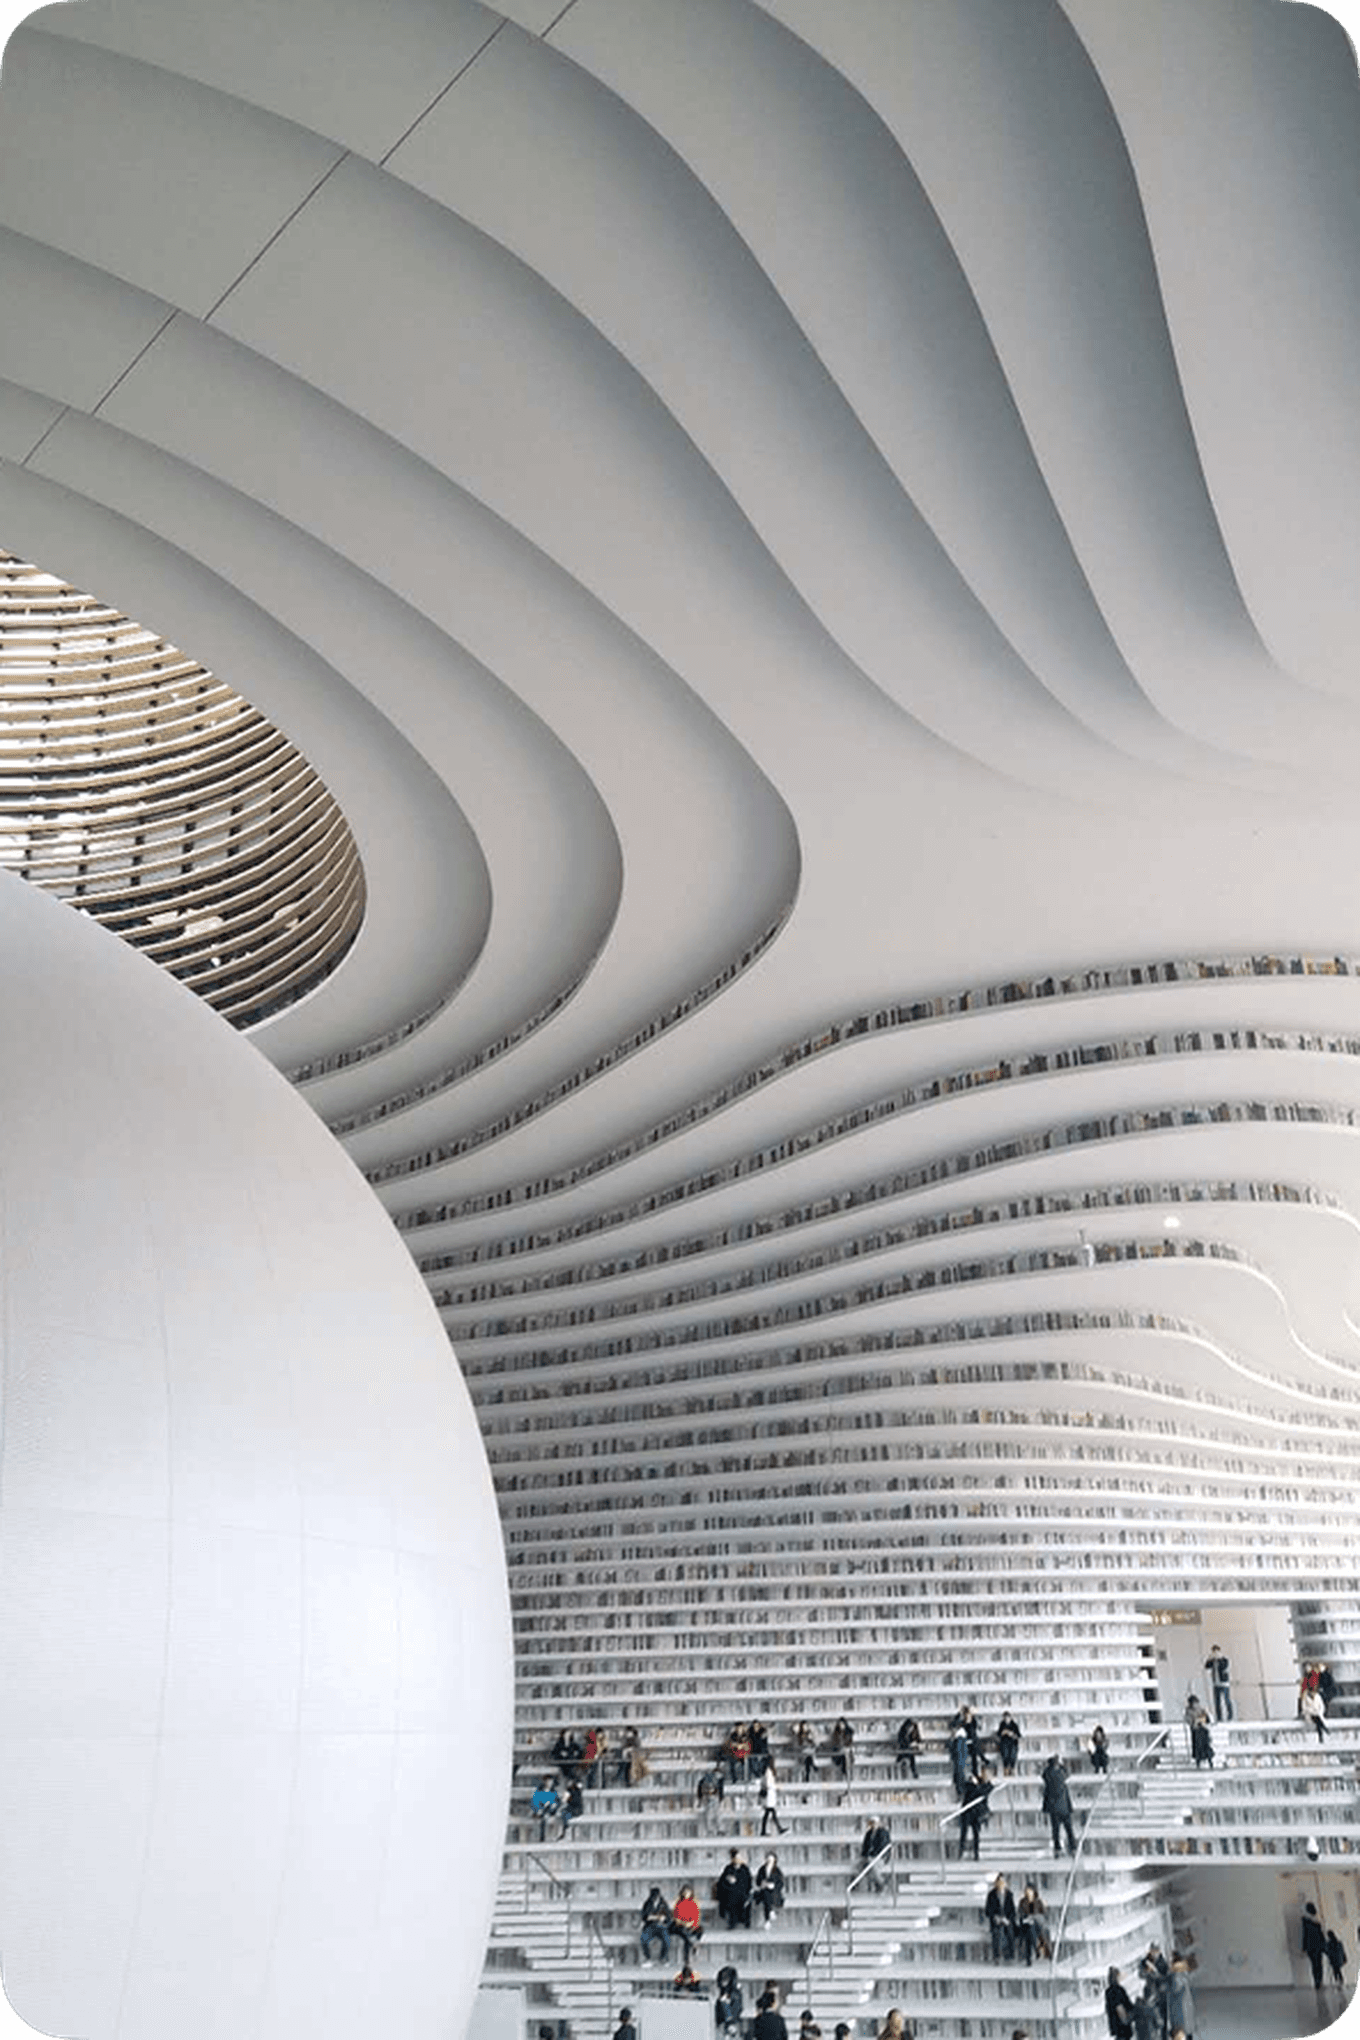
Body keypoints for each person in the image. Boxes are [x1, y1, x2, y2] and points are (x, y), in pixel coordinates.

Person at [1041, 1754, 1076, 1856]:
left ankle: (1057, 1848)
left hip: (1053, 1808)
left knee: (1056, 1830)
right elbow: (1067, 1774)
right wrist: (1062, 1765)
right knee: (1069, 1829)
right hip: (1064, 1808)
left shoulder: (1048, 1774)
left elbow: (1043, 1775)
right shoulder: (1061, 1774)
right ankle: (1072, 1847)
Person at [958, 1764, 991, 1860]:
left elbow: (988, 1788)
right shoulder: (970, 1786)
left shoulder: (982, 1786)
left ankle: (975, 1853)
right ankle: (962, 1851)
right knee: (965, 1833)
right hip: (968, 1812)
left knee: (975, 1833)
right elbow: (970, 1789)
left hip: (975, 1813)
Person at [715, 1851, 752, 1929]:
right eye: (736, 1858)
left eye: (739, 1858)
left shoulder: (745, 1869)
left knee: (743, 1899)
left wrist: (737, 1881)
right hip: (730, 1892)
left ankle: (744, 1921)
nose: (738, 1860)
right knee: (731, 1898)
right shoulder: (728, 1868)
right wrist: (728, 1879)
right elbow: (721, 1881)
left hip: (742, 1892)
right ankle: (733, 1922)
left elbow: (748, 1883)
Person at [984, 1873, 1016, 1961]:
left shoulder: (1009, 1894)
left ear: (1006, 1883)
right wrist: (995, 1917)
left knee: (1010, 1932)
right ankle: (996, 1956)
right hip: (996, 1920)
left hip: (1006, 1920)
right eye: (999, 1881)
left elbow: (1013, 1911)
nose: (1001, 1884)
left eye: (1003, 1882)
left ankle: (1010, 1956)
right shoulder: (991, 1894)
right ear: (996, 1883)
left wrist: (1008, 1919)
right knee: (996, 1933)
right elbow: (987, 1911)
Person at [1016, 1881, 1048, 1964]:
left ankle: (1029, 1958)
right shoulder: (1022, 1901)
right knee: (1029, 1930)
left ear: (1034, 1891)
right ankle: (1036, 1949)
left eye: (1030, 1891)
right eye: (1027, 1891)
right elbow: (1020, 1914)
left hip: (1037, 1925)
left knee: (1031, 1929)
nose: (1028, 1892)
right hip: (1025, 1925)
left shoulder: (1038, 1901)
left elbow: (1043, 1914)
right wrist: (1027, 1919)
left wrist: (1033, 1918)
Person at [640, 1886, 672, 1965]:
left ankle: (663, 1958)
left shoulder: (663, 1904)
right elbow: (644, 1916)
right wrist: (655, 1917)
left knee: (667, 1940)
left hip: (661, 1927)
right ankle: (648, 1958)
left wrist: (663, 1918)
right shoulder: (647, 1903)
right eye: (653, 1897)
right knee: (643, 1939)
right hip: (650, 1927)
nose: (654, 1899)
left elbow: (669, 1917)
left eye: (656, 1897)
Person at [1164, 1956, 1195, 2036]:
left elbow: (1175, 1991)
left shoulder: (1178, 1976)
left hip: (1181, 2016)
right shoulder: (1179, 1976)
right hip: (1182, 2018)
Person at [859, 1815, 891, 1890]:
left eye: (874, 1822)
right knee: (861, 1866)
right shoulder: (868, 1833)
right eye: (871, 1823)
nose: (872, 1825)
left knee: (870, 1865)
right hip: (870, 1857)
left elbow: (882, 1848)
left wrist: (871, 1856)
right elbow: (864, 1847)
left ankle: (881, 1883)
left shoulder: (883, 1833)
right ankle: (879, 1884)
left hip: (880, 1857)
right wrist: (865, 1855)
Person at [672, 1883, 703, 1960]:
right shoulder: (679, 1902)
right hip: (681, 1924)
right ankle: (694, 1945)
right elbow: (676, 1916)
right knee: (686, 1935)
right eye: (685, 1892)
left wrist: (692, 1924)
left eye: (688, 1892)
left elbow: (697, 1916)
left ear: (691, 1893)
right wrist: (684, 1923)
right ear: (682, 1893)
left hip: (691, 1924)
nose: (686, 1894)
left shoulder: (695, 1902)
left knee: (699, 1930)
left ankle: (693, 1945)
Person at [754, 1852, 785, 1926]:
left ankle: (767, 1919)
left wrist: (773, 1886)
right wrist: (762, 1883)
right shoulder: (762, 1869)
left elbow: (780, 1883)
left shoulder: (777, 1870)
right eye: (768, 1859)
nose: (769, 1861)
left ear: (774, 1860)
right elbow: (758, 1881)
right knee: (766, 1894)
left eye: (771, 1860)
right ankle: (770, 1912)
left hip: (774, 1892)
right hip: (764, 1891)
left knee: (768, 1896)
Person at [1203, 1645, 1233, 1721]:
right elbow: (1206, 1666)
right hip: (1216, 1684)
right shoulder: (1213, 1661)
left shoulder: (1224, 1660)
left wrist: (1219, 1659)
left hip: (1224, 1683)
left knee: (1227, 1700)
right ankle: (1219, 1717)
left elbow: (1224, 1667)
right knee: (1217, 1702)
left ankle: (1230, 1716)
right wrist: (1210, 1659)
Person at [759, 1760, 787, 1837]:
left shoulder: (766, 1771)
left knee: (768, 1813)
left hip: (768, 1795)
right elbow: (768, 1784)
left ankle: (765, 1831)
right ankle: (778, 1829)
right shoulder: (768, 1771)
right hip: (769, 1795)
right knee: (771, 1812)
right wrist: (775, 1787)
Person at [1104, 1965, 1134, 2037]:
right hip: (1123, 2031)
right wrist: (1128, 2018)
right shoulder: (1117, 1991)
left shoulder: (1108, 1992)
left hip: (1118, 2031)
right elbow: (1120, 2008)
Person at [1303, 1902, 1327, 1989]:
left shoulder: (1305, 1921)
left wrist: (1304, 1947)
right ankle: (1319, 1981)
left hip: (1311, 1946)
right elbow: (1321, 1935)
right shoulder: (1317, 1921)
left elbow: (1305, 1935)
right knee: (1319, 1964)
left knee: (1315, 1964)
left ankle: (1317, 1981)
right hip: (1318, 1946)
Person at [697, 1764, 726, 1833]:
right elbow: (713, 1789)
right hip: (710, 1798)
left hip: (710, 1798)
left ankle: (713, 1829)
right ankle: (716, 1829)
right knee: (713, 1814)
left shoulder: (708, 1778)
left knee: (712, 1814)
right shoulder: (711, 1779)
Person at [715, 1965, 743, 2035]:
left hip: (727, 2028)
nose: (722, 1982)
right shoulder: (736, 1994)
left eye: (725, 1979)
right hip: (729, 2028)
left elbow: (730, 2015)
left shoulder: (731, 1995)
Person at [531, 1775, 560, 1842]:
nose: (549, 1783)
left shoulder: (553, 1792)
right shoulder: (539, 1792)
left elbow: (557, 1802)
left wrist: (554, 1805)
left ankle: (554, 1837)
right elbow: (534, 1802)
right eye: (548, 1781)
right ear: (544, 1782)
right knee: (543, 1820)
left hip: (550, 1812)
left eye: (551, 1782)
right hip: (541, 1811)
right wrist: (538, 1809)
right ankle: (542, 1838)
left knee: (557, 1818)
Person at [829, 1716, 855, 1787]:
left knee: (846, 1758)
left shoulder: (848, 1733)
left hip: (846, 1753)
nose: (841, 1726)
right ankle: (845, 1776)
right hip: (838, 1754)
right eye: (840, 1725)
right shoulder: (836, 1734)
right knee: (844, 1758)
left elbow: (849, 1743)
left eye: (843, 1724)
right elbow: (834, 1745)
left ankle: (846, 1776)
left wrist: (846, 1748)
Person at [996, 1709, 1021, 1777]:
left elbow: (1018, 1736)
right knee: (1005, 1755)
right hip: (1004, 1743)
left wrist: (1012, 1734)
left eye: (1007, 1718)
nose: (1006, 1719)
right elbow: (998, 1734)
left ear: (1010, 1718)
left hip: (1013, 1743)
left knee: (1013, 1755)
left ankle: (1012, 1769)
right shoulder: (1002, 1724)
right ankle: (1006, 1769)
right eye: (1005, 1718)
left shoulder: (1014, 1725)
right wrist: (1002, 1733)